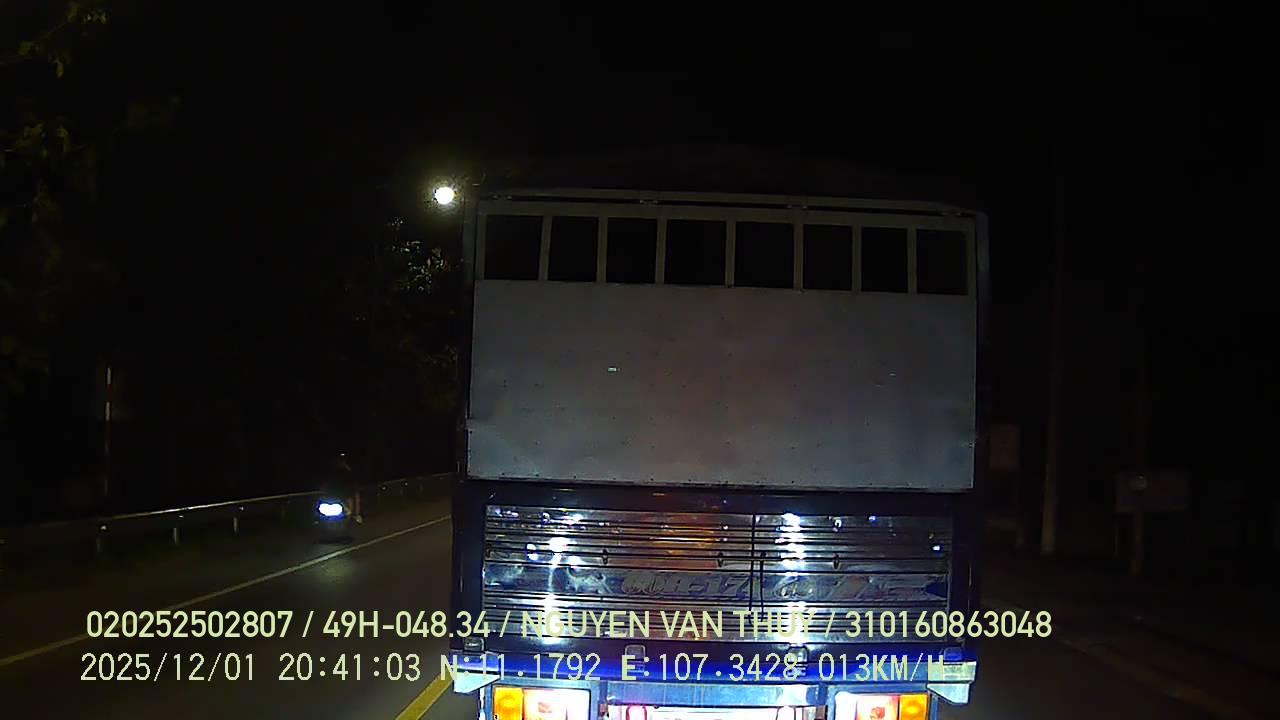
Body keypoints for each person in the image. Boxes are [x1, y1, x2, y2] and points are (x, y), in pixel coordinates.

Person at [322, 452, 363, 524]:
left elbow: (352, 479)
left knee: (354, 499)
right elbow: (331, 481)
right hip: (341, 491)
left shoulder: (347, 469)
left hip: (347, 490)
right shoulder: (337, 470)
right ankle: (351, 514)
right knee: (348, 500)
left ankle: (355, 515)